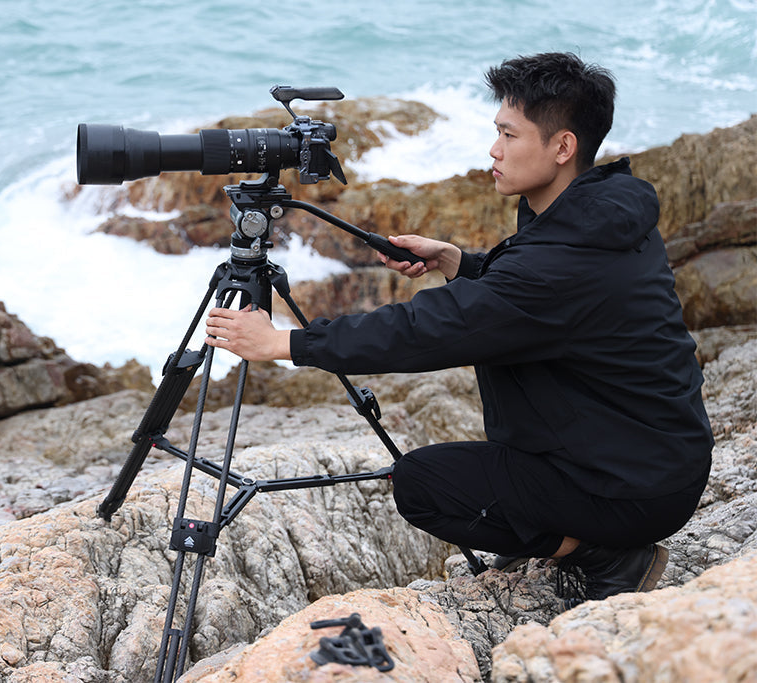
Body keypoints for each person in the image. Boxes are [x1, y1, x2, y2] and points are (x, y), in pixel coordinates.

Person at [203, 52, 713, 608]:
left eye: (507, 135)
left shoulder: (563, 256)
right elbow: (534, 298)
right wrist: (459, 262)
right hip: (651, 457)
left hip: (632, 488)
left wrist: (286, 342)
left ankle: (610, 553)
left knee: (424, 485)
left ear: (562, 147)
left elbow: (431, 329)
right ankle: (571, 527)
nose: (493, 150)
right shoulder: (601, 214)